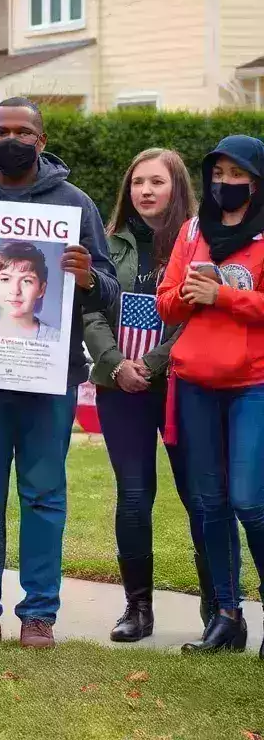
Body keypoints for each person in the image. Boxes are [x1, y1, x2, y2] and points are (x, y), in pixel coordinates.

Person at [0, 97, 119, 649]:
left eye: (23, 131)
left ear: (42, 138)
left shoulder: (75, 204)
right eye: (1, 130)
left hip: (48, 378)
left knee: (43, 495)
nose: (12, 138)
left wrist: (86, 278)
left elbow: (108, 288)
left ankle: (39, 615)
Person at [83, 148, 206, 643]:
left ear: (177, 187)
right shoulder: (108, 244)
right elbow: (89, 309)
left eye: (157, 181)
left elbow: (196, 315)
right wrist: (114, 365)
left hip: (182, 387)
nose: (146, 191)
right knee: (134, 497)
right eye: (137, 182)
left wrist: (152, 365)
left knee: (200, 497)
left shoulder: (199, 243)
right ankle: (137, 609)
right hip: (121, 389)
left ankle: (220, 609)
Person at [159, 135, 264, 655]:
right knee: (210, 502)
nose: (226, 183)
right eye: (217, 173)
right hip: (195, 382)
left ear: (257, 179)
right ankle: (226, 616)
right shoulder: (192, 230)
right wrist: (187, 294)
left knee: (250, 499)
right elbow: (166, 305)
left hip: (252, 385)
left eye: (237, 173)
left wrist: (222, 294)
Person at [0, 241, 62, 342]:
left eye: (27, 281)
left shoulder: (57, 341)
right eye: (5, 279)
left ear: (41, 289)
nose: (15, 291)